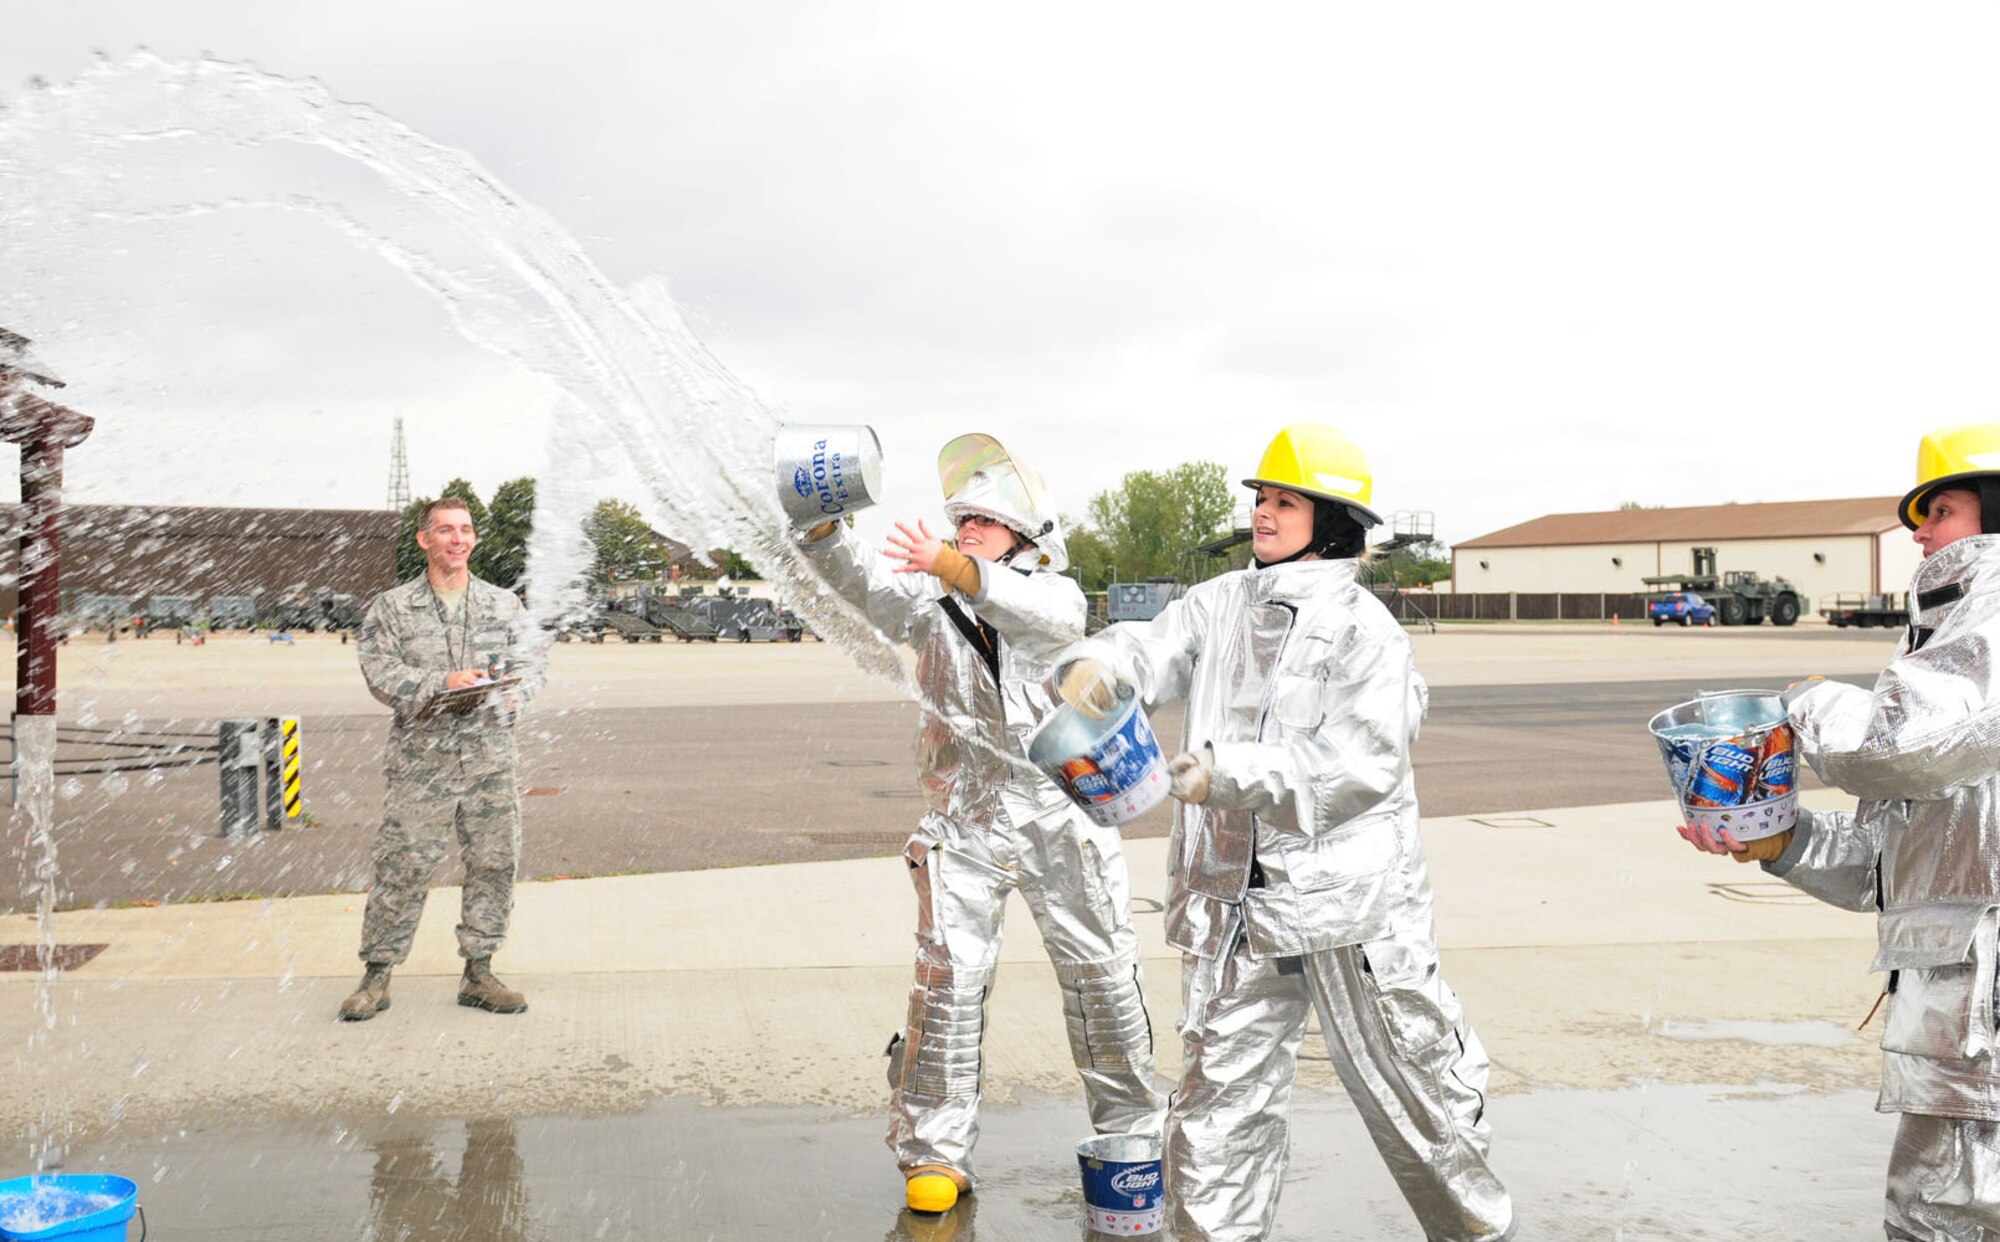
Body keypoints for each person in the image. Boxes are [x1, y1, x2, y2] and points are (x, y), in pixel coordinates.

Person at [1056, 423, 1514, 1241]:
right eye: (1261, 499)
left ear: (1332, 520)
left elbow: (1358, 768)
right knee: (1216, 1101)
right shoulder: (1219, 602)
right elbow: (1152, 649)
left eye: (1284, 501)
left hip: (1352, 910)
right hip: (1240, 909)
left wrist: (1221, 773)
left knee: (1419, 1091)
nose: (1263, 514)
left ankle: (1477, 1229)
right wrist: (1099, 667)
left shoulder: (1366, 630)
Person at [799, 433, 1165, 1216]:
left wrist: (955, 567)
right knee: (948, 986)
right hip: (962, 825)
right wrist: (822, 526)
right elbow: (862, 583)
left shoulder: (1057, 598)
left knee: (1101, 978)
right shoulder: (928, 606)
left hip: (1064, 820)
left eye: (983, 521)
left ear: (1027, 539)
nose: (964, 529)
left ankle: (1133, 1131)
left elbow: (1035, 613)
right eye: (959, 519)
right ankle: (934, 1151)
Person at [1681, 423, 2000, 1240]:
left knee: (1947, 1220)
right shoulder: (1943, 651)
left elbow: (1896, 749)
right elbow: (1883, 866)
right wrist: (1775, 838)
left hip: (1981, 1026)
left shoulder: (1992, 616)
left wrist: (1810, 700)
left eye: (1942, 510)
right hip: (1958, 1020)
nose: (1919, 532)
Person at [340, 496, 539, 1022]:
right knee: (402, 866)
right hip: (420, 763)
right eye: (446, 530)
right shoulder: (392, 607)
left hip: (489, 759)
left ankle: (480, 971)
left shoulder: (503, 605)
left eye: (466, 529)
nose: (458, 539)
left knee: (495, 863)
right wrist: (440, 683)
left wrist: (518, 691)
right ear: (424, 539)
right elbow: (379, 673)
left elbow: (531, 663)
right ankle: (376, 975)